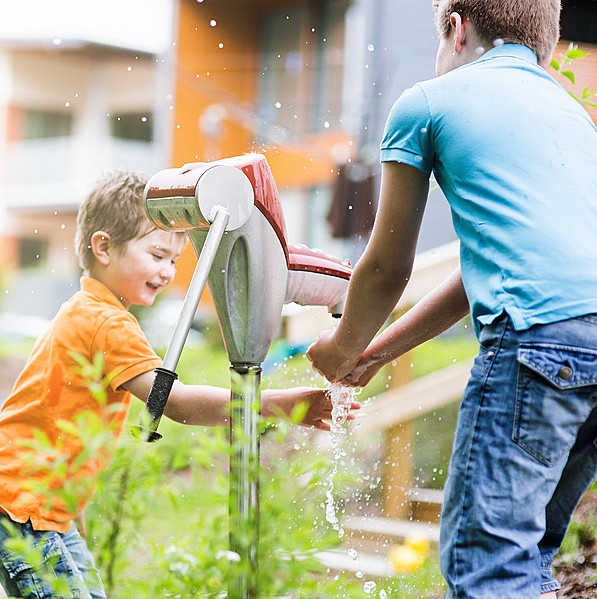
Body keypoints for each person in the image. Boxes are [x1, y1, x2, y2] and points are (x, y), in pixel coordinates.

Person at [307, 0, 597, 597]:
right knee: (531, 555)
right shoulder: (572, 115)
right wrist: (376, 354)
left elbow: (387, 267)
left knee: (486, 561)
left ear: (457, 28)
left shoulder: (428, 102)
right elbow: (478, 274)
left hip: (536, 347)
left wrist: (341, 347)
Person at [0, 170, 357, 599]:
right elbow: (177, 403)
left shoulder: (86, 310)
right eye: (156, 255)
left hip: (39, 505)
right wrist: (285, 403)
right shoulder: (106, 322)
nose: (168, 271)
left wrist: (71, 508)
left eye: (173, 259)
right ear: (103, 248)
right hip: (23, 507)